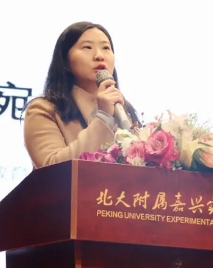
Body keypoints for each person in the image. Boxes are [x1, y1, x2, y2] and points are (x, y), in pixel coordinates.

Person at [23, 21, 140, 169]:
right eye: (87, 47)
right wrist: (103, 118)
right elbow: (52, 168)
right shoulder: (44, 110)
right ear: (65, 61)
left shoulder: (123, 111)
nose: (99, 56)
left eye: (106, 48)